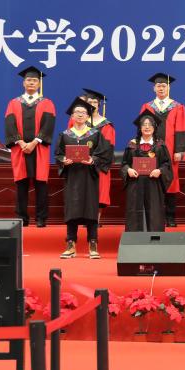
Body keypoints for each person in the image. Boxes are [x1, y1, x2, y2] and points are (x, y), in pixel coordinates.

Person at [55, 98, 112, 259]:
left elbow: (104, 154)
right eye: (77, 112)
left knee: (91, 209)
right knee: (72, 209)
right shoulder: (65, 135)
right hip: (73, 177)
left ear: (88, 116)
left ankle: (93, 244)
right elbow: (58, 154)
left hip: (89, 177)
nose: (80, 115)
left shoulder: (95, 134)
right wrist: (63, 161)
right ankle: (70, 244)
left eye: (83, 112)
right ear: (72, 116)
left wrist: (93, 160)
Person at [4, 66, 55, 228]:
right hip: (20, 149)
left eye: (34, 80)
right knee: (21, 183)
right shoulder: (13, 103)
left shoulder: (47, 103)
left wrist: (34, 143)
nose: (31, 82)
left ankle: (41, 218)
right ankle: (22, 217)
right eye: (28, 80)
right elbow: (10, 124)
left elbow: (48, 125)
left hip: (39, 148)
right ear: (23, 83)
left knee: (41, 183)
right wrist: (21, 142)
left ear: (39, 84)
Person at [139, 73, 185, 227]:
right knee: (152, 181)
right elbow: (142, 128)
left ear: (169, 88)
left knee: (171, 182)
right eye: (158, 86)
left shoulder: (178, 107)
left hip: (171, 150)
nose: (161, 88)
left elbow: (181, 129)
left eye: (164, 86)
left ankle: (170, 217)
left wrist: (179, 150)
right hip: (151, 150)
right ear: (154, 88)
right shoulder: (147, 106)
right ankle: (155, 217)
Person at [121, 111, 173, 232]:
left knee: (154, 210)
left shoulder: (160, 145)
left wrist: (160, 171)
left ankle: (154, 238)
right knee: (135, 209)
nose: (147, 127)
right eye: (144, 124)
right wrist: (128, 170)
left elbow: (167, 164)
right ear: (140, 128)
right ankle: (135, 238)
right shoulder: (132, 144)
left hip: (153, 184)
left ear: (154, 127)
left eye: (150, 124)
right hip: (135, 183)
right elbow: (124, 164)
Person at [73, 88, 115, 217]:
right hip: (81, 162)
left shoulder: (106, 125)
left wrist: (93, 158)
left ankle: (95, 220)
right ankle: (83, 217)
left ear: (99, 105)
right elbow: (71, 140)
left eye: (95, 102)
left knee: (99, 192)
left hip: (98, 164)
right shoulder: (78, 121)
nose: (92, 104)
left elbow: (107, 146)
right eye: (89, 102)